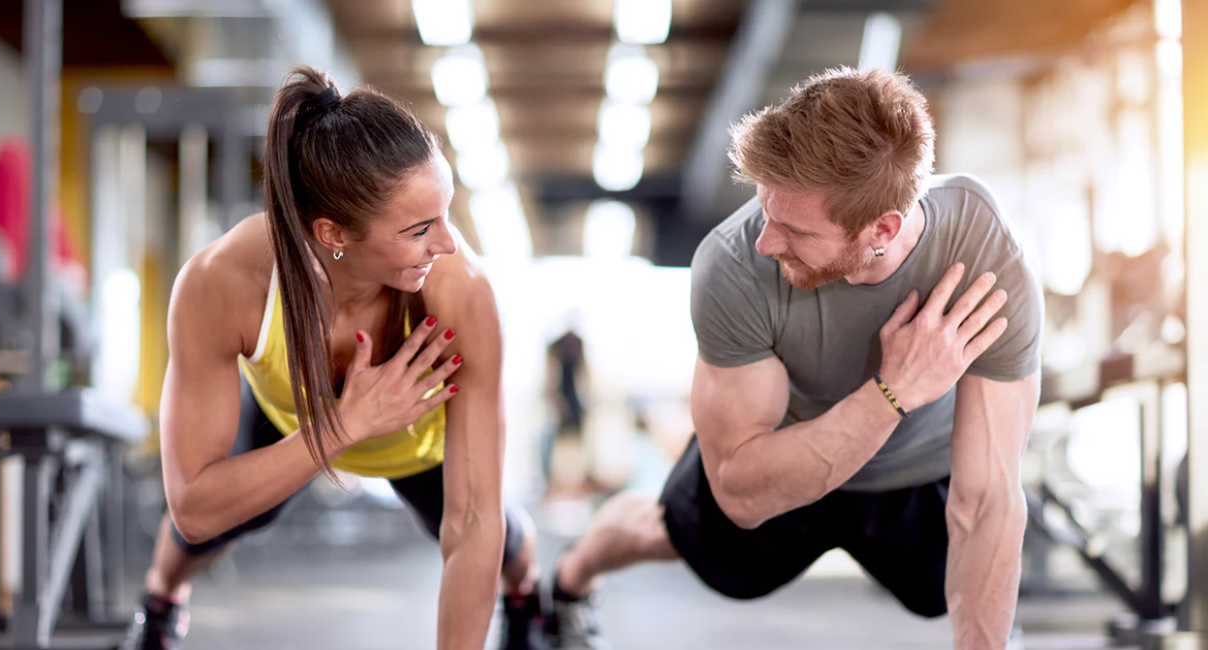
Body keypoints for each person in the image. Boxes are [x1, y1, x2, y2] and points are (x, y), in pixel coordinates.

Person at [544, 67, 1043, 650]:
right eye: (765, 210)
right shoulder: (732, 265)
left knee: (963, 573)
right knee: (667, 531)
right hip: (782, 456)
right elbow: (740, 494)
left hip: (914, 473)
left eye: (794, 229)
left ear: (882, 228)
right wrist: (893, 391)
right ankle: (571, 579)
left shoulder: (985, 253)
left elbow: (987, 500)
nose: (766, 241)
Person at [122, 67, 547, 650]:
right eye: (420, 229)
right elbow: (193, 507)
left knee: (497, 536)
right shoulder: (221, 281)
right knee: (217, 524)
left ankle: (528, 597)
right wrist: (347, 424)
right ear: (333, 234)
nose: (448, 243)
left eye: (446, 214)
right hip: (290, 414)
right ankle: (161, 600)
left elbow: (472, 524)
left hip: (414, 432)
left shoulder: (462, 291)